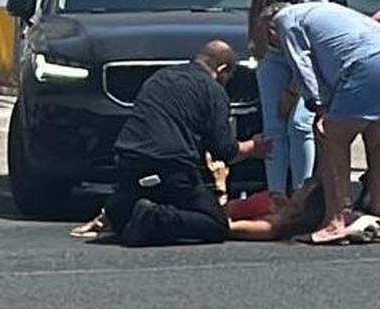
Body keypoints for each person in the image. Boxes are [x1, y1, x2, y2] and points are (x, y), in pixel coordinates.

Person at [261, 1, 380, 245]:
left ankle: (335, 220)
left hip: (371, 63)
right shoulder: (320, 12)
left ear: (271, 29)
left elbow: (302, 65)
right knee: (378, 142)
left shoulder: (285, 20)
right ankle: (379, 216)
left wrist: (317, 105)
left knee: (329, 135)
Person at [105, 40, 267, 247]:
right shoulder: (213, 90)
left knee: (132, 200)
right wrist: (253, 147)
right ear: (222, 69)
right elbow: (224, 150)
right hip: (172, 166)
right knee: (216, 224)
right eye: (229, 76)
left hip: (128, 160)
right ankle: (156, 218)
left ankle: (120, 209)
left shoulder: (160, 78)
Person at [248, 0, 328, 203]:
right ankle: (277, 197)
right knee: (274, 127)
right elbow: (258, 51)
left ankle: (301, 196)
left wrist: (292, 92)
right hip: (274, 57)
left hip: (310, 59)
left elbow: (319, 45)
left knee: (299, 123)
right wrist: (262, 18)